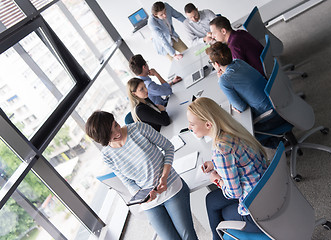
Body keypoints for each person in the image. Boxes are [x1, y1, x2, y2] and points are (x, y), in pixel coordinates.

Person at [85, 111, 198, 240]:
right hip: (150, 201)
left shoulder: (139, 128)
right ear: (103, 139)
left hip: (170, 186)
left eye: (116, 125)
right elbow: (127, 182)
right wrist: (144, 196)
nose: (117, 132)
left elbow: (168, 148)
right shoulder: (107, 156)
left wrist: (164, 177)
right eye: (110, 133)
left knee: (187, 236)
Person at [186, 97, 267, 240]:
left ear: (208, 124)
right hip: (265, 189)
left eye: (192, 124)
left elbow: (234, 193)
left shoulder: (220, 150)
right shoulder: (232, 131)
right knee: (211, 199)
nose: (189, 127)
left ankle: (218, 237)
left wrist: (218, 180)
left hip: (257, 213)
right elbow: (238, 156)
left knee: (221, 214)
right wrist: (215, 164)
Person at [205, 42, 287, 147]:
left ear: (216, 64)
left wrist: (221, 80)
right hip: (279, 102)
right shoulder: (239, 62)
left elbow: (241, 107)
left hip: (271, 115)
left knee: (243, 135)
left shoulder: (224, 80)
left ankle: (281, 145)